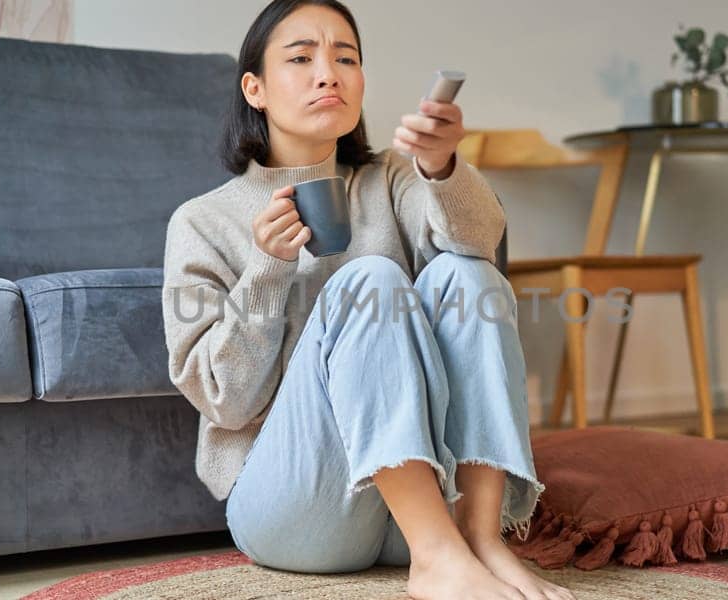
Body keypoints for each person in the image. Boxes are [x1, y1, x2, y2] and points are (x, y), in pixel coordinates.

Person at [161, 1, 571, 598]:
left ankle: (480, 541)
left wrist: (441, 165)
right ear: (255, 89)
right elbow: (223, 401)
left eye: (346, 57)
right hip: (297, 511)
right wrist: (268, 270)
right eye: (301, 57)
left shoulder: (391, 178)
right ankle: (437, 559)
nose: (328, 72)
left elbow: (481, 243)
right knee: (371, 280)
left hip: (428, 501)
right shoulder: (201, 221)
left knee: (469, 276)